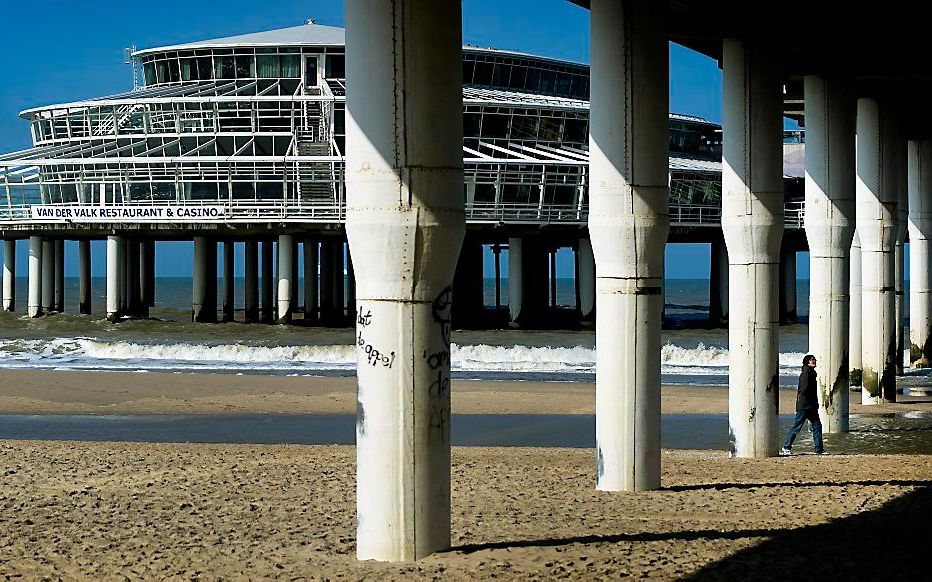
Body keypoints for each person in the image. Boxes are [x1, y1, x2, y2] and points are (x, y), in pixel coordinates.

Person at [780, 354, 825, 455]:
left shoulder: (812, 373)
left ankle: (819, 449)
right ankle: (786, 447)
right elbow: (804, 389)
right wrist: (810, 401)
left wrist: (815, 403)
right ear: (807, 362)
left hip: (811, 406)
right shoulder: (806, 372)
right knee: (797, 426)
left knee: (817, 426)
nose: (814, 361)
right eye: (811, 360)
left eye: (814, 359)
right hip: (804, 406)